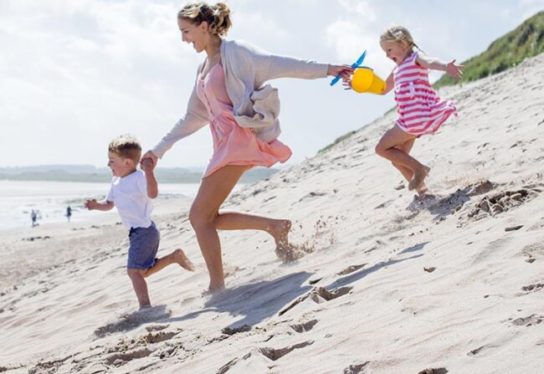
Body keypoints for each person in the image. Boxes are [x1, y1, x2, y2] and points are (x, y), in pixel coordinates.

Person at [141, 2, 352, 293]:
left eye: (186, 31)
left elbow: (282, 64)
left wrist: (330, 69)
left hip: (241, 139)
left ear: (204, 27)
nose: (183, 39)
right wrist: (158, 150)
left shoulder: (237, 53)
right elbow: (193, 116)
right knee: (207, 217)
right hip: (224, 143)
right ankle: (275, 227)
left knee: (198, 217)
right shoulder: (203, 67)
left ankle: (217, 284)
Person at [85, 134, 194, 309]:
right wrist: (96, 205)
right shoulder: (116, 182)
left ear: (127, 163)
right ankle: (174, 257)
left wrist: (149, 171)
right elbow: (109, 204)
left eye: (112, 161)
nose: (108, 164)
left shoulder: (139, 178)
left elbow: (152, 194)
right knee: (142, 271)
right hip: (137, 233)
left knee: (133, 271)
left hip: (145, 231)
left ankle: (145, 307)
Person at [365, 26, 463, 194]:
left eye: (389, 50)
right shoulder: (396, 70)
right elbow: (382, 89)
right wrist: (357, 82)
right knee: (399, 159)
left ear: (403, 43)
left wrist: (446, 66)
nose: (387, 55)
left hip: (414, 118)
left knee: (381, 149)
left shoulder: (415, 59)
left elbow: (431, 62)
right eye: (385, 52)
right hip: (410, 119)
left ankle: (420, 169)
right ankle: (424, 193)